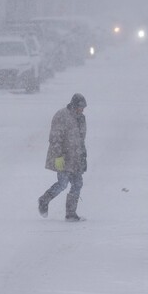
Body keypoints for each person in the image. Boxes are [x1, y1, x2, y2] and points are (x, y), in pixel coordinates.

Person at [38, 93, 88, 222]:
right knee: (62, 183)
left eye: (83, 108)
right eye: (80, 107)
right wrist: (58, 156)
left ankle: (71, 213)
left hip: (76, 158)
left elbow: (81, 140)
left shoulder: (81, 118)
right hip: (63, 157)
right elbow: (55, 139)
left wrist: (83, 157)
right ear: (73, 105)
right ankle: (44, 200)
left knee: (77, 184)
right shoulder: (62, 116)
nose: (81, 110)